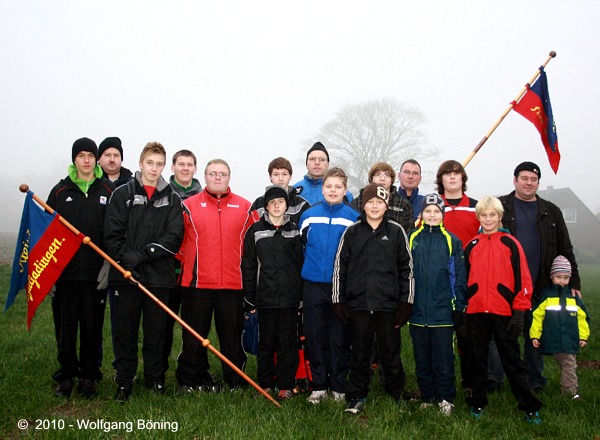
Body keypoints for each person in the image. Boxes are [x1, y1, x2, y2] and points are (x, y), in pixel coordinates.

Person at [104, 142, 184, 400]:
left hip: (159, 277)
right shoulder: (122, 193)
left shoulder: (172, 198)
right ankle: (124, 381)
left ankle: (155, 379)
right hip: (125, 275)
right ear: (141, 163)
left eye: (159, 164)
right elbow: (112, 234)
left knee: (156, 332)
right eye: (150, 163)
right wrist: (127, 260)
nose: (154, 168)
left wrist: (143, 254)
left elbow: (173, 237)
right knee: (124, 332)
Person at [499, 161, 581, 393]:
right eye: (524, 178)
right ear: (515, 181)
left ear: (538, 183)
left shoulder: (551, 211)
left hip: (540, 284)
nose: (529, 183)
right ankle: (496, 377)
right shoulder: (501, 206)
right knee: (502, 334)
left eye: (533, 179)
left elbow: (565, 247)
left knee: (534, 334)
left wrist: (574, 282)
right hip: (507, 284)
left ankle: (534, 380)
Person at [332, 183, 414, 414]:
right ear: (364, 205)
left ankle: (397, 392)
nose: (375, 206)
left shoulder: (396, 231)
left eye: (380, 202)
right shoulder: (352, 232)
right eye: (370, 202)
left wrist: (406, 302)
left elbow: (407, 269)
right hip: (359, 304)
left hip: (388, 305)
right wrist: (338, 300)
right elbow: (340, 268)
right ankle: (356, 395)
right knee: (360, 352)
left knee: (391, 351)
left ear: (386, 206)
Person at [464, 196, 542, 423]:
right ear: (478, 217)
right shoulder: (472, 245)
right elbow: (463, 279)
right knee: (477, 360)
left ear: (499, 217)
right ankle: (477, 402)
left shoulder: (511, 243)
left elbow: (524, 280)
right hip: (476, 311)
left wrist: (519, 312)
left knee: (512, 360)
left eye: (492, 215)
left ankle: (529, 405)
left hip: (504, 312)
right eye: (484, 215)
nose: (488, 219)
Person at [176, 159, 252, 393]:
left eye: (222, 174)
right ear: (205, 176)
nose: (218, 177)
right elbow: (178, 243)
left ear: (229, 177)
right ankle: (190, 379)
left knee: (232, 336)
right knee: (194, 335)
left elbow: (252, 245)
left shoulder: (245, 207)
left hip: (232, 284)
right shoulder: (188, 206)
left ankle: (235, 380)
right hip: (197, 283)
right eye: (213, 173)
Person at [48, 137, 115, 398]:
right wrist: (49, 273)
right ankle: (66, 376)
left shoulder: (108, 190)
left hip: (95, 275)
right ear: (74, 159)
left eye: (90, 155)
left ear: (96, 159)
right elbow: (47, 234)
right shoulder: (59, 191)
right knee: (65, 329)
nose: (86, 160)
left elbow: (114, 232)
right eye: (81, 156)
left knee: (91, 328)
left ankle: (88, 376)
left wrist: (108, 264)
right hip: (64, 274)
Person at [299, 167, 359, 404]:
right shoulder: (308, 216)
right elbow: (302, 247)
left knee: (339, 337)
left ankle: (339, 386)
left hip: (340, 288)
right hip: (313, 285)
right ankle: (319, 386)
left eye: (338, 187)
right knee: (315, 336)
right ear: (322, 189)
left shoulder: (353, 218)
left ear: (345, 190)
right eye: (328, 186)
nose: (333, 191)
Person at [242, 186, 304, 401]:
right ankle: (265, 384)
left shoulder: (294, 230)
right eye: (272, 202)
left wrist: (300, 297)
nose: (276, 206)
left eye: (280, 202)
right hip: (265, 297)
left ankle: (286, 385)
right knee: (266, 343)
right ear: (266, 206)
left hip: (289, 298)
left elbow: (300, 264)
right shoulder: (256, 231)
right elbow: (249, 266)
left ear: (287, 205)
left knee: (288, 343)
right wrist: (250, 299)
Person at [408, 194, 467, 415]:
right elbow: (404, 272)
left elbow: (459, 276)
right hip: (417, 311)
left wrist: (458, 305)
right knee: (422, 357)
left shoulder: (452, 241)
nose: (432, 215)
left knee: (443, 358)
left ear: (442, 215)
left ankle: (445, 397)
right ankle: (428, 395)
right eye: (428, 211)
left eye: (436, 212)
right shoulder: (412, 238)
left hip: (442, 311)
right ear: (421, 214)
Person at [435, 159, 480, 392]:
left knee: (467, 334)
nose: (452, 177)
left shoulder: (475, 207)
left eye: (456, 173)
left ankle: (471, 381)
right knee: (440, 335)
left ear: (463, 178)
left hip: (468, 278)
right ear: (440, 179)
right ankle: (440, 381)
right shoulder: (432, 207)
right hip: (439, 279)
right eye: (447, 173)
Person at [161, 149, 203, 382]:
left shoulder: (203, 196)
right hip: (167, 269)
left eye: (189, 164)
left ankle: (193, 370)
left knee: (194, 325)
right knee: (163, 324)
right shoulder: (163, 193)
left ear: (195, 168)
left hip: (194, 272)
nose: (185, 168)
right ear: (173, 167)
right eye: (181, 164)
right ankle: (157, 371)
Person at [530, 256, 590, 399]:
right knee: (569, 364)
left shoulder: (573, 297)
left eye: (566, 277)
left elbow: (582, 318)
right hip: (552, 338)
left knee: (569, 364)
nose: (562, 281)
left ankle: (569, 393)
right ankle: (569, 394)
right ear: (552, 277)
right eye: (558, 277)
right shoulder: (546, 295)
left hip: (569, 339)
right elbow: (537, 316)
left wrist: (583, 336)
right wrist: (535, 335)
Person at [351, 162, 413, 234]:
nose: (382, 178)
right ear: (371, 179)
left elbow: (409, 234)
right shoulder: (357, 202)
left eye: (387, 175)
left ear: (391, 180)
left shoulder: (403, 204)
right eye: (378, 174)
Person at [250, 157, 310, 225]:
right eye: (276, 174)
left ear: (290, 176)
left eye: (284, 174)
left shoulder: (301, 205)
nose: (280, 179)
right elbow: (251, 228)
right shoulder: (259, 203)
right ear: (270, 177)